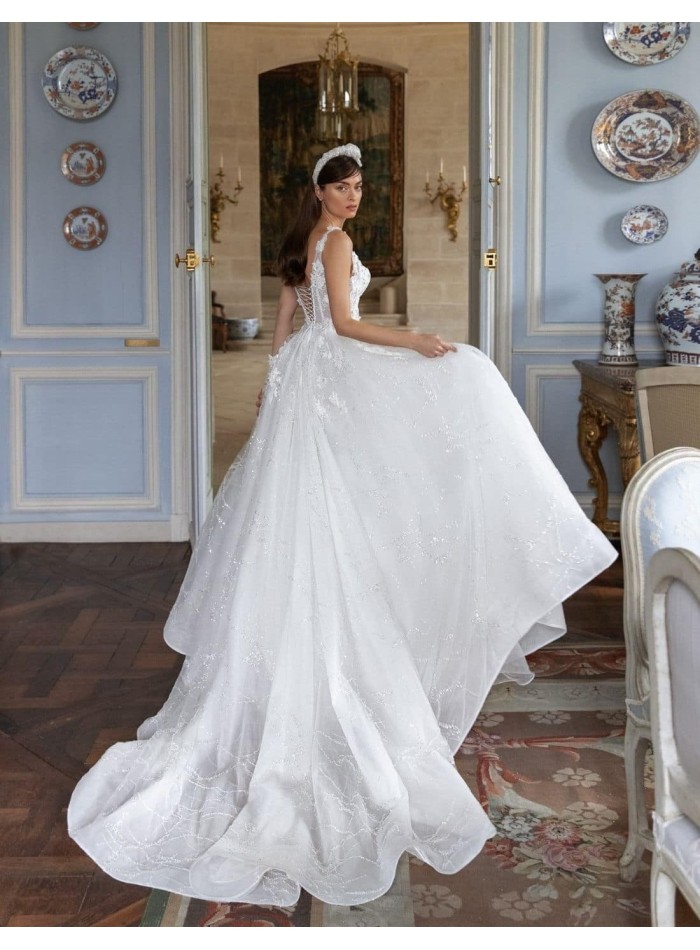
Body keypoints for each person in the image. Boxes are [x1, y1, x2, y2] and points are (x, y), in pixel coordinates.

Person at [67, 143, 617, 908]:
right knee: (406, 437)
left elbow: (291, 323)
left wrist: (273, 388)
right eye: (344, 186)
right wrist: (419, 340)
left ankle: (302, 653)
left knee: (312, 519)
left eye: (360, 187)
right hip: (329, 378)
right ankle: (330, 666)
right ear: (320, 190)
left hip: (307, 383)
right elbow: (350, 326)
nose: (355, 197)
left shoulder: (299, 242)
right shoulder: (337, 241)